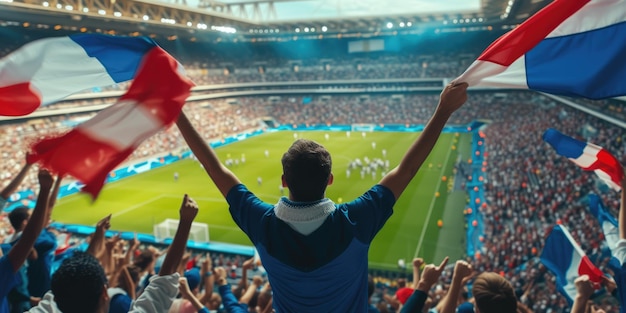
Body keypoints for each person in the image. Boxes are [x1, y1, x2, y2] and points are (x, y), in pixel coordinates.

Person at [176, 82, 468, 312]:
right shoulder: (356, 219)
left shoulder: (262, 223)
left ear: (283, 181)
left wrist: (175, 111)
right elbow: (405, 170)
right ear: (330, 180)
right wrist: (443, 111)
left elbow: (214, 167)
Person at [26, 194, 200, 313]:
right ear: (104, 292)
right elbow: (163, 285)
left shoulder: (49, 305)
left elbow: (164, 283)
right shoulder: (52, 302)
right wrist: (186, 221)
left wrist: (96, 240)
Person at [0, 170, 53, 313]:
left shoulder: (6, 247)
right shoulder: (3, 266)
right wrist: (45, 190)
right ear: (24, 222)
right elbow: (30, 237)